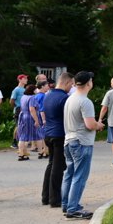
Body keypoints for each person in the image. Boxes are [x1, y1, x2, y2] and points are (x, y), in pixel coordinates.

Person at [62, 71, 104, 219]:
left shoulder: (70, 99)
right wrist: (99, 125)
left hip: (69, 140)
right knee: (79, 176)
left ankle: (66, 203)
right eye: (91, 80)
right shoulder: (85, 101)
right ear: (88, 83)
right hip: (81, 142)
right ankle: (73, 208)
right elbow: (90, 124)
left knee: (70, 173)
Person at [42, 72, 73, 208]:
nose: (71, 87)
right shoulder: (64, 98)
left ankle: (46, 196)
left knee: (51, 164)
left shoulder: (48, 95)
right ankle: (55, 199)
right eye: (71, 84)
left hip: (48, 133)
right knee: (58, 167)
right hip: (59, 135)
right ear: (66, 82)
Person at [16, 84, 38, 161]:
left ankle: (24, 153)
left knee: (23, 135)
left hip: (23, 115)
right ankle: (21, 154)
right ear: (32, 90)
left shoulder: (23, 97)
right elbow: (32, 109)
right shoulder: (32, 98)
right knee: (24, 137)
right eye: (35, 89)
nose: (37, 90)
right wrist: (36, 120)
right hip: (29, 117)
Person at [30, 80, 49, 158]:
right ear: (42, 86)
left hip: (36, 115)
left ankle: (41, 151)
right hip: (41, 116)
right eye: (46, 85)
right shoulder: (43, 96)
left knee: (39, 134)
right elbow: (42, 109)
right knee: (44, 134)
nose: (48, 86)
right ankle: (45, 151)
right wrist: (44, 119)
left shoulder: (36, 96)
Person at [10, 74, 27, 149]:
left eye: (26, 78)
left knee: (23, 125)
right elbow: (12, 100)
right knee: (18, 125)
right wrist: (16, 107)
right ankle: (14, 141)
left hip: (24, 109)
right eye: (24, 78)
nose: (26, 80)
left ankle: (22, 140)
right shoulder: (16, 89)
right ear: (20, 80)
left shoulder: (25, 89)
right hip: (18, 109)